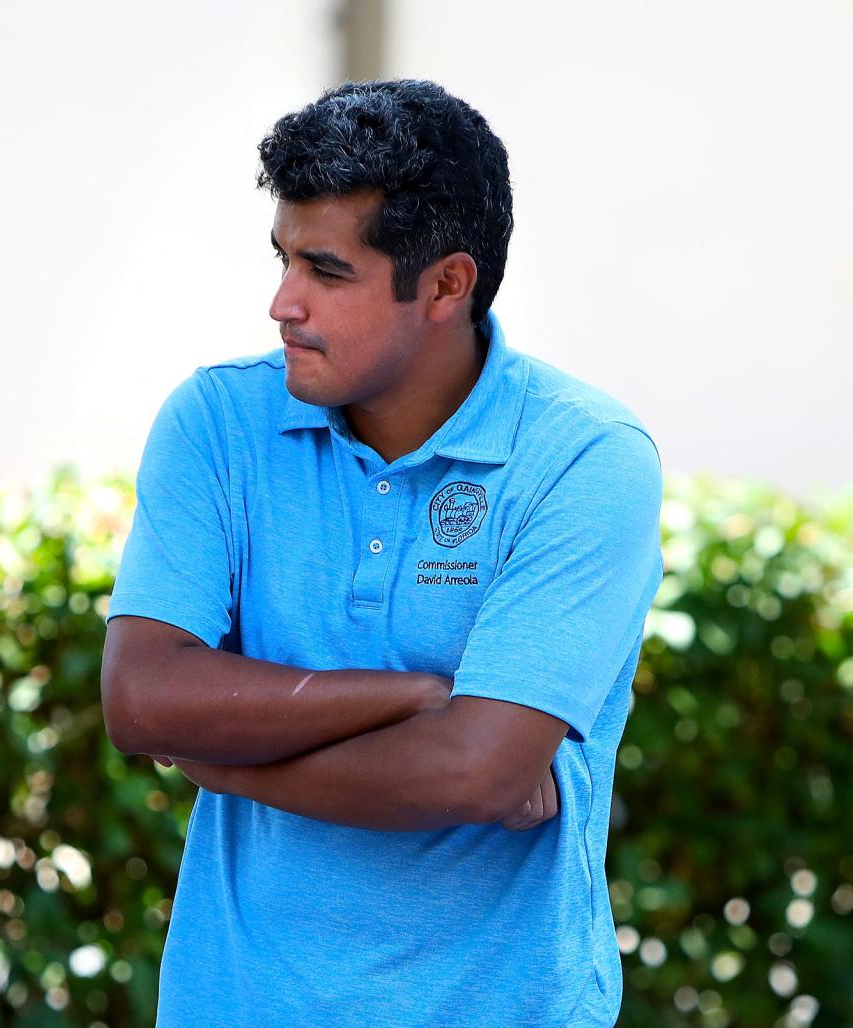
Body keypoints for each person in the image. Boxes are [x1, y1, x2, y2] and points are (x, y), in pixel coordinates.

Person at [100, 78, 664, 1028]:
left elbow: (473, 774)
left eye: (326, 270)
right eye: (281, 258)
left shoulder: (584, 457)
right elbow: (142, 699)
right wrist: (418, 698)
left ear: (446, 283)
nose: (282, 303)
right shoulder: (219, 423)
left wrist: (222, 758)